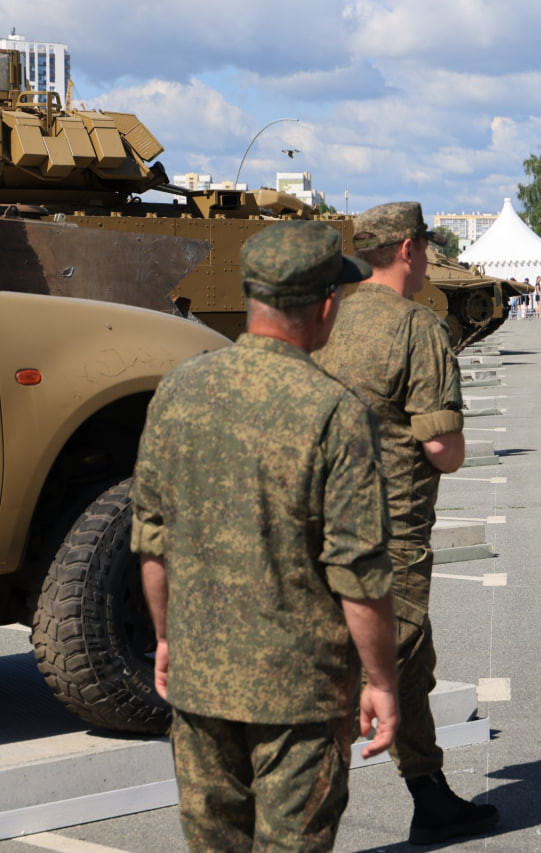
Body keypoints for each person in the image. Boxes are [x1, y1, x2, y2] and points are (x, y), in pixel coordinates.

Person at [132, 221, 400, 850]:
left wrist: (168, 637)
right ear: (327, 303)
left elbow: (151, 540)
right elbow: (359, 574)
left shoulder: (179, 390)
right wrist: (382, 682)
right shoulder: (333, 411)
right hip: (300, 697)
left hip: (202, 679)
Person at [313, 202, 499, 846]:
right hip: (388, 527)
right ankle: (300, 813)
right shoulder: (419, 326)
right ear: (411, 249)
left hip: (319, 515)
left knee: (409, 662)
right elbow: (442, 449)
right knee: (380, 661)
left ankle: (430, 793)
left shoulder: (326, 315)